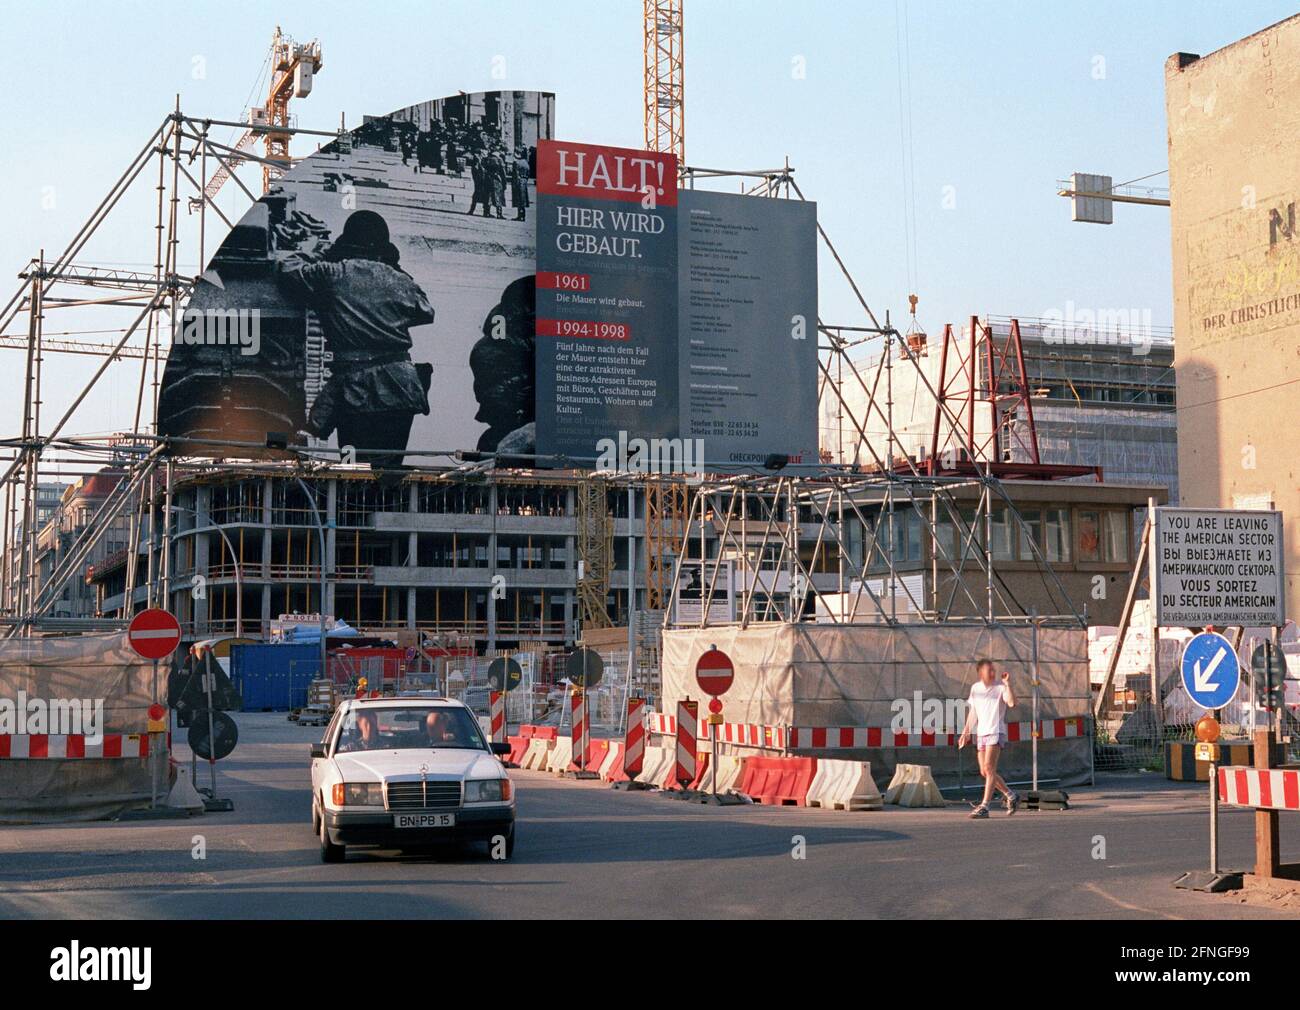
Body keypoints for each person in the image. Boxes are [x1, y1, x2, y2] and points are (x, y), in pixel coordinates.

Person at [277, 210, 434, 476]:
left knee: (355, 471)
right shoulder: (398, 279)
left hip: (357, 388)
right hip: (400, 387)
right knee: (388, 468)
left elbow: (288, 270)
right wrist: (391, 268)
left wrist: (319, 252)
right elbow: (425, 311)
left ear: (346, 244)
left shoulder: (333, 273)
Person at [958, 658, 1019, 818]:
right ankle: (1011, 795)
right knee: (985, 771)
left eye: (993, 670)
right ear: (980, 673)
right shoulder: (975, 688)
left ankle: (985, 806)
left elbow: (1012, 703)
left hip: (995, 731)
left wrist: (1008, 684)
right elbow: (973, 712)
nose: (992, 673)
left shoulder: (1000, 688)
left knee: (989, 767)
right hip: (981, 733)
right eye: (988, 670)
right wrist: (966, 732)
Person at [510, 146, 531, 222]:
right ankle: (523, 216)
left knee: (519, 199)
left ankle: (519, 215)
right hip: (524, 181)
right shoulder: (526, 162)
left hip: (518, 181)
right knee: (523, 199)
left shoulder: (516, 163)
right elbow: (528, 173)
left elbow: (515, 174)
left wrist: (515, 184)